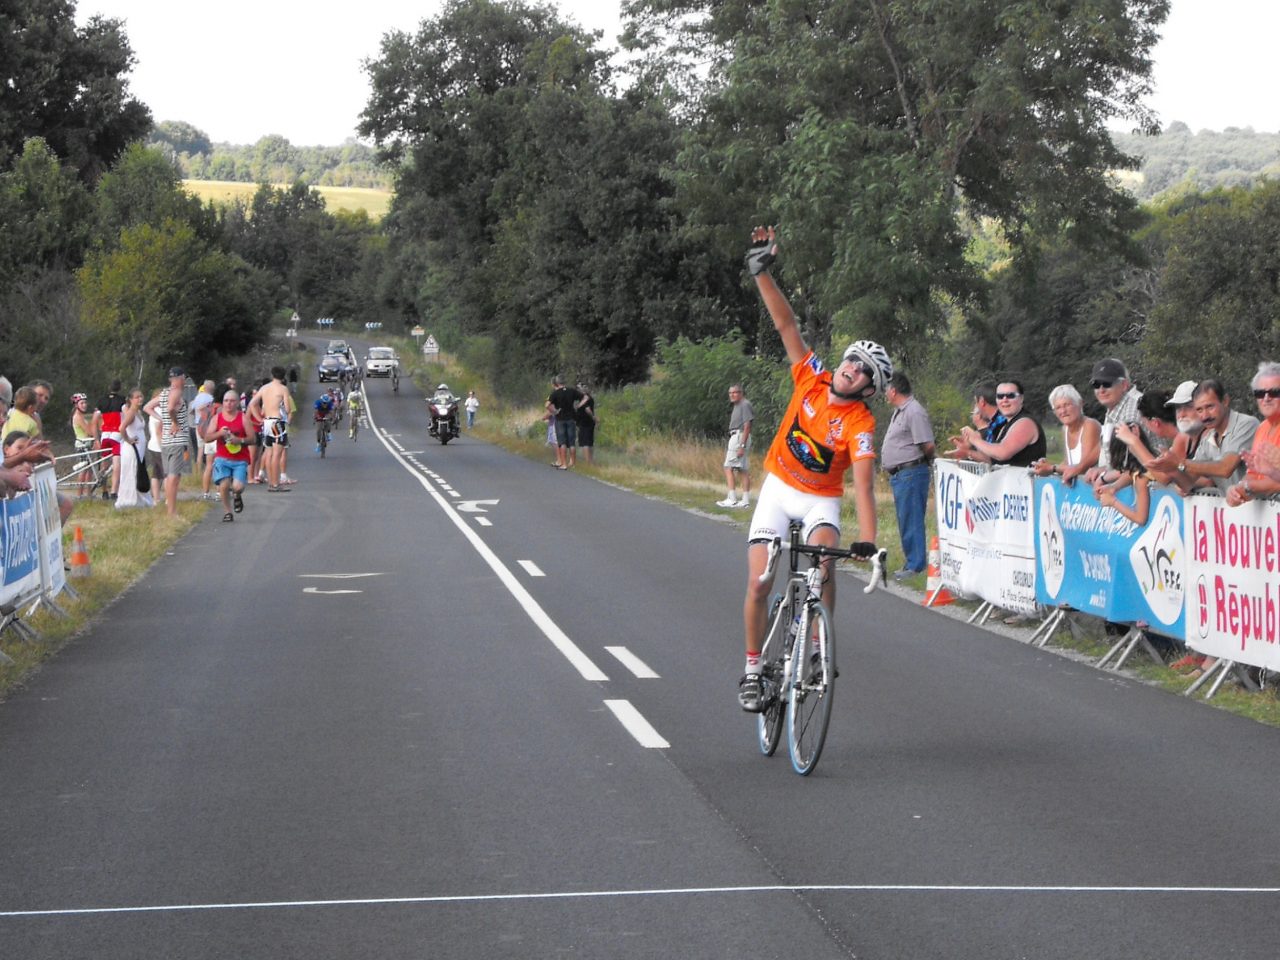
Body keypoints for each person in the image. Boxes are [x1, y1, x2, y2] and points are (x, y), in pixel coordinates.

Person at [736, 226, 887, 712]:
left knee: (824, 568)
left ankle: (820, 653)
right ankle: (753, 669)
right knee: (760, 581)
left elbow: (863, 484)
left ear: (868, 388)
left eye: (865, 370)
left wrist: (867, 539)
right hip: (779, 488)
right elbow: (787, 326)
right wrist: (761, 273)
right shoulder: (813, 378)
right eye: (852, 360)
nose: (853, 368)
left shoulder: (860, 422)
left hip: (822, 497)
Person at [1150, 378, 1257, 495]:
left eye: (1210, 407)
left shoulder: (1246, 424)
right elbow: (1187, 483)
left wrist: (1179, 463)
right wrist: (1171, 469)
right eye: (1199, 410)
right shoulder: (1209, 438)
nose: (1205, 415)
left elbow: (1226, 468)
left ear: (1225, 401)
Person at [880, 372, 936, 579]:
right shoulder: (900, 411)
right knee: (905, 518)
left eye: (887, 390)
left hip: (911, 472)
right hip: (901, 474)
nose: (886, 394)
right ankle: (911, 562)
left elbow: (927, 444)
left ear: (893, 390)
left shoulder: (914, 411)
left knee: (911, 518)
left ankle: (915, 565)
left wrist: (926, 460)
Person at [948, 380, 1045, 466]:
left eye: (1011, 396)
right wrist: (968, 452)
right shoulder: (1007, 423)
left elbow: (1002, 453)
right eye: (1000, 396)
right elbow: (992, 460)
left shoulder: (1025, 422)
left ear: (1021, 398)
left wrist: (975, 439)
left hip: (1025, 485)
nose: (1005, 400)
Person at [1226, 362, 1280, 507]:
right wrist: (1236, 491)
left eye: (1275, 392)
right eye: (1260, 393)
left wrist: (1249, 487)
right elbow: (1254, 474)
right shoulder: (1262, 428)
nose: (1266, 398)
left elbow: (1273, 483)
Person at [143, 366, 192, 517]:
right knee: (173, 476)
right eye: (183, 377)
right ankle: (171, 510)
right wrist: (174, 422)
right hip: (176, 439)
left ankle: (170, 508)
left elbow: (147, 407)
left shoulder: (164, 393)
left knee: (170, 474)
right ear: (181, 378)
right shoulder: (176, 392)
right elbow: (171, 408)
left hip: (166, 441)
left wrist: (162, 419)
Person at [1031, 385, 1101, 485]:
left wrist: (1052, 468)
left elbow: (1082, 467)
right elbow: (1069, 463)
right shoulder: (1065, 429)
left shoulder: (1090, 425)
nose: (1063, 411)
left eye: (1067, 405)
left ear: (1080, 404)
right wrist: (1043, 466)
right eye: (1058, 407)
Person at [205, 388, 256, 521]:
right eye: (226, 401)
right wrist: (219, 434)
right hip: (222, 457)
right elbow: (207, 437)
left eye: (232, 401)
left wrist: (239, 440)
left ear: (238, 403)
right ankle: (228, 512)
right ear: (222, 402)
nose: (229, 404)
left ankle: (237, 495)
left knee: (237, 487)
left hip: (240, 459)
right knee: (224, 485)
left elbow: (253, 439)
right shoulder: (217, 418)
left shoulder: (243, 418)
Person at [248, 367, 292, 492]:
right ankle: (275, 483)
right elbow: (288, 409)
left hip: (267, 422)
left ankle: (272, 482)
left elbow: (252, 404)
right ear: (283, 377)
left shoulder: (264, 388)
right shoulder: (283, 389)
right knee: (277, 454)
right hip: (277, 422)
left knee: (268, 452)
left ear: (272, 375)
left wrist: (258, 417)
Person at [115, 387, 153, 509]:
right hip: (132, 449)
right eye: (137, 397)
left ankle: (141, 499)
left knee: (138, 472)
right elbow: (122, 428)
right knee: (132, 472)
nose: (140, 399)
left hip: (140, 448)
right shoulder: (131, 413)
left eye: (141, 396)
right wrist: (128, 440)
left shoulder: (138, 413)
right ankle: (128, 500)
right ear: (131, 400)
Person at [718, 384, 754, 508]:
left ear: (741, 393)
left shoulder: (744, 404)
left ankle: (732, 498)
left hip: (739, 436)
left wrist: (741, 445)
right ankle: (745, 501)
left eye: (735, 392)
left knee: (728, 467)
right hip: (738, 436)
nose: (732, 395)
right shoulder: (738, 405)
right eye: (730, 393)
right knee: (742, 469)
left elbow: (747, 425)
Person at [97, 380, 127, 499]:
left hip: (105, 434)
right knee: (116, 464)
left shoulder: (102, 400)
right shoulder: (122, 400)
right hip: (116, 434)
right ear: (119, 388)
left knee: (104, 464)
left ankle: (104, 491)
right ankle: (114, 491)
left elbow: (96, 416)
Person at [546, 376, 583, 469]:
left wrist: (555, 411)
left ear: (557, 383)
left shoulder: (555, 393)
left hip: (560, 419)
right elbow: (584, 397)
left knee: (562, 442)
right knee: (572, 442)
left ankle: (564, 464)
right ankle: (573, 463)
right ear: (565, 382)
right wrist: (578, 406)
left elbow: (547, 405)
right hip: (571, 418)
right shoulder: (572, 391)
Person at [575, 382, 597, 463]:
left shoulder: (585, 398)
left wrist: (593, 417)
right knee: (590, 442)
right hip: (588, 423)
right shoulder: (589, 398)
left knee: (585, 443)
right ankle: (590, 460)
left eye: (583, 387)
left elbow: (588, 410)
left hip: (584, 423)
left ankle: (588, 461)